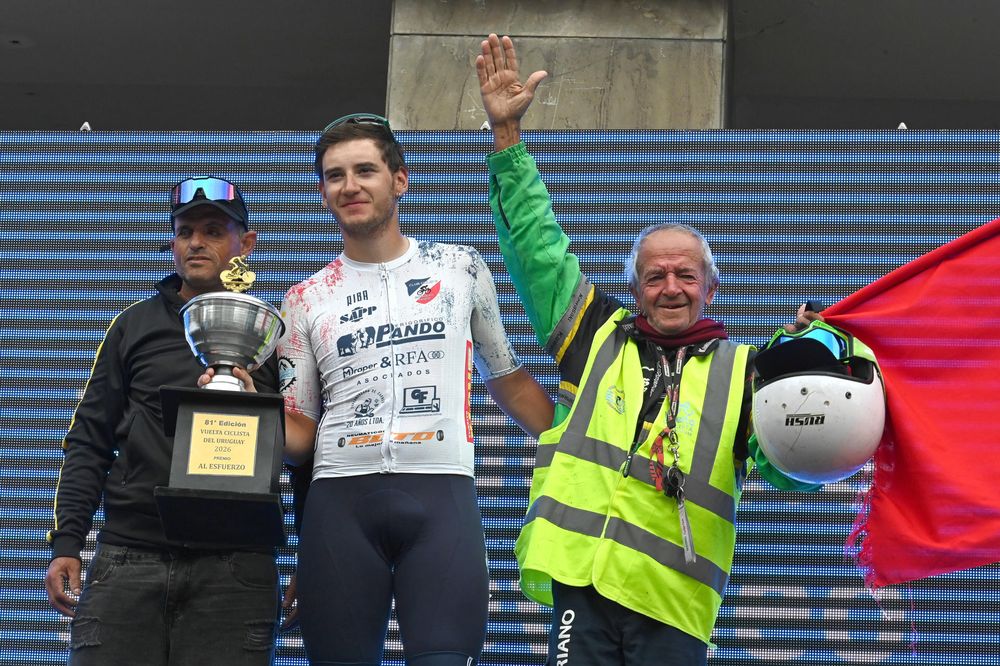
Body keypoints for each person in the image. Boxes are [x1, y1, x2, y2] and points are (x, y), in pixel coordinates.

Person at [476, 34, 821, 665]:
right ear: (634, 288)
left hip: (673, 603)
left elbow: (791, 469)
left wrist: (811, 374)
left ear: (711, 288)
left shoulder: (748, 372)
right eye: (655, 276)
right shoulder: (592, 331)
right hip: (581, 584)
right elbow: (535, 246)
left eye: (686, 275)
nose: (671, 287)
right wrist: (507, 137)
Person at [268, 113, 555, 666]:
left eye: (364, 170)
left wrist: (584, 440)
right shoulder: (305, 298)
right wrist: (236, 404)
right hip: (339, 505)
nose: (349, 186)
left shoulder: (460, 268)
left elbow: (508, 378)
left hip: (441, 496)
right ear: (323, 192)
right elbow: (299, 437)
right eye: (334, 176)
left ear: (399, 179)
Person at [45, 177, 297, 665]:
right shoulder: (133, 326)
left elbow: (302, 453)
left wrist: (308, 556)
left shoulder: (272, 332)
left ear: (246, 243)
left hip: (236, 567)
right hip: (129, 557)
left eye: (213, 231)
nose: (196, 243)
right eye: (185, 232)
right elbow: (89, 440)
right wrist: (68, 541)